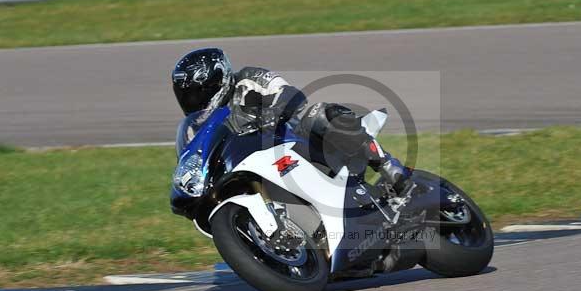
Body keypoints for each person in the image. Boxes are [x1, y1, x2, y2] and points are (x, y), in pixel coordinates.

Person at [171, 47, 411, 191]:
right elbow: (194, 157)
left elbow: (289, 93)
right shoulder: (195, 128)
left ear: (218, 81)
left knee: (317, 113)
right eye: (187, 95)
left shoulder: (249, 79)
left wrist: (272, 114)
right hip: (253, 167)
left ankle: (386, 164)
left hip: (294, 142)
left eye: (197, 92)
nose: (193, 100)